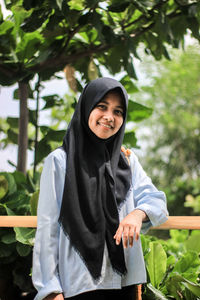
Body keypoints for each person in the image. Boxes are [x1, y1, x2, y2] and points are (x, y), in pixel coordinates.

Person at [32, 77, 168, 300]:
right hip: (77, 285)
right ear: (86, 108)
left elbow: (156, 200)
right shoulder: (59, 162)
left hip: (123, 283)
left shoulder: (127, 160)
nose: (109, 117)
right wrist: (51, 290)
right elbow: (48, 231)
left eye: (118, 111)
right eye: (102, 107)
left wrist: (137, 213)